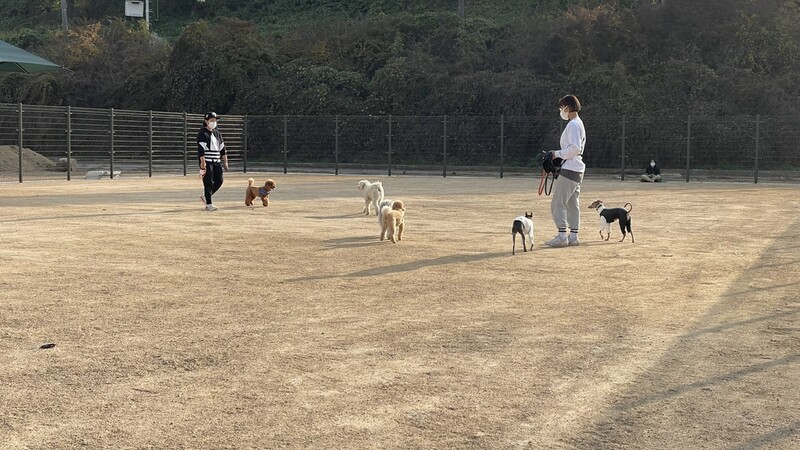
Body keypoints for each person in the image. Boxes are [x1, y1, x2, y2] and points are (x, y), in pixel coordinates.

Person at [545, 95, 586, 247]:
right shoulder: (578, 123)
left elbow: (574, 148)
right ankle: (573, 236)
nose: (561, 110)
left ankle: (562, 236)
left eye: (562, 107)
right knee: (572, 202)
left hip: (570, 168)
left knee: (558, 202)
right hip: (576, 169)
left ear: (568, 107)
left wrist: (556, 154)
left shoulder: (573, 125)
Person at [197, 112, 228, 211]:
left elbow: (223, 149)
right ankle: (209, 204)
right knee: (208, 182)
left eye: (215, 120)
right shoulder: (202, 133)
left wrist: (225, 161)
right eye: (212, 120)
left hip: (216, 161)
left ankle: (206, 197)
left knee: (219, 180)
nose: (214, 122)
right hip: (207, 161)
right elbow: (201, 149)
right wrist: (203, 162)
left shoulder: (218, 134)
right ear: (206, 121)